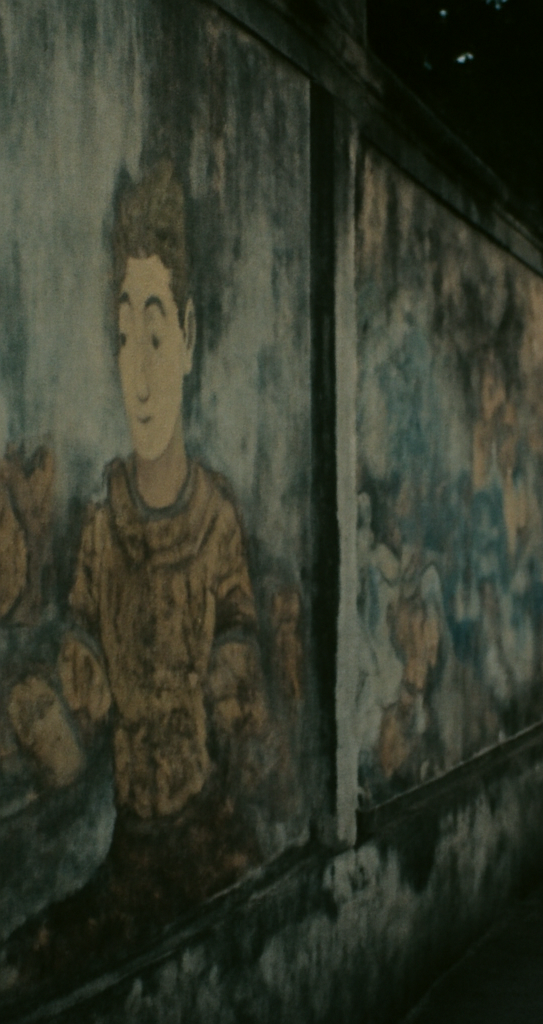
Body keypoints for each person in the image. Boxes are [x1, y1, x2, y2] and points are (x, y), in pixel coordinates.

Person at [4, 161, 268, 983]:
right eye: (124, 336)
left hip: (205, 825)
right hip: (123, 831)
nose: (139, 368)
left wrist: (232, 671)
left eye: (155, 334)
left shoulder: (217, 515)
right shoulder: (100, 520)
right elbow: (81, 642)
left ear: (187, 337)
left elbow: (241, 628)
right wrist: (61, 690)